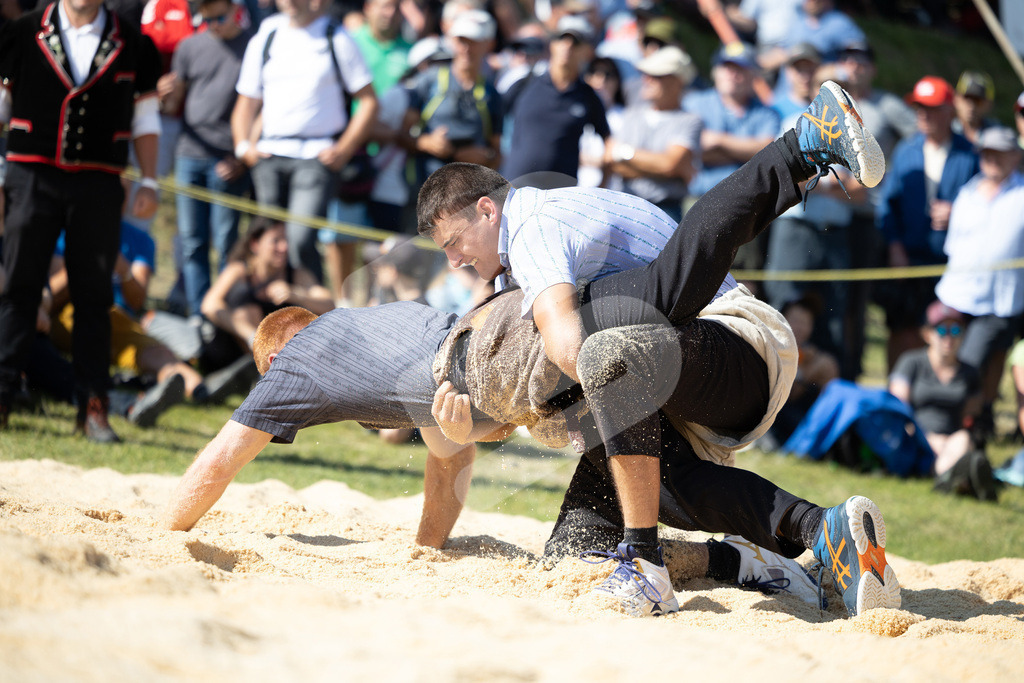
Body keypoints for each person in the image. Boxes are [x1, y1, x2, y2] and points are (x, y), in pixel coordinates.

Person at [419, 81, 897, 617]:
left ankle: (801, 145)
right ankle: (813, 534)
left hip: (733, 339)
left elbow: (562, 347)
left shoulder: (530, 227)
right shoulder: (522, 258)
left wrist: (584, 404)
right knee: (579, 551)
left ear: (487, 210)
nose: (455, 260)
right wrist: (475, 428)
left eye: (454, 242)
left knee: (591, 350)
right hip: (678, 362)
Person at [161, 300, 825, 607]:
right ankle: (755, 552)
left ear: (277, 355)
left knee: (664, 486)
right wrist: (428, 546)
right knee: (593, 541)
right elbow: (449, 439)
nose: (270, 383)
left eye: (265, 372)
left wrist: (165, 533)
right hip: (524, 360)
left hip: (563, 363)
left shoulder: (295, 360)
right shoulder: (387, 321)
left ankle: (786, 542)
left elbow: (217, 460)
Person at [0, 0, 162, 440]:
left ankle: (93, 406)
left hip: (98, 183)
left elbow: (147, 117)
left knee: (94, 296)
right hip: (29, 174)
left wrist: (149, 180)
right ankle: (2, 393)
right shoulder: (22, 32)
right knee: (18, 287)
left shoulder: (134, 43)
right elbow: (3, 102)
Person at [232, 0, 378, 284]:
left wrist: (345, 149)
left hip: (316, 156)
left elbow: (369, 101)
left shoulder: (337, 37)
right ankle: (269, 315)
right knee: (265, 244)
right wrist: (242, 147)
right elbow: (246, 101)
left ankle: (312, 318)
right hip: (269, 155)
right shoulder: (266, 36)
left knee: (299, 240)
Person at [876, 75, 978, 372]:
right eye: (919, 107)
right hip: (907, 259)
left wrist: (956, 212)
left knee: (945, 331)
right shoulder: (907, 149)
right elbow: (888, 204)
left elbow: (984, 204)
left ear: (949, 111)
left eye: (931, 107)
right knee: (901, 328)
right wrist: (894, 246)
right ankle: (897, 391)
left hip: (949, 262)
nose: (923, 114)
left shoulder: (969, 155)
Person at [162, 0, 253, 319]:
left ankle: (224, 312)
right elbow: (174, 104)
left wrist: (242, 156)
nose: (213, 23)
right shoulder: (188, 47)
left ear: (235, 9)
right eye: (206, 18)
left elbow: (260, 107)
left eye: (220, 16)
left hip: (228, 159)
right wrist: (165, 94)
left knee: (227, 243)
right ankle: (200, 314)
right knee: (192, 241)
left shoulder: (252, 46)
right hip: (189, 154)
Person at [934, 126, 1024, 439]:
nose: (992, 159)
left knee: (972, 362)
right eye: (987, 152)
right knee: (949, 359)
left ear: (1015, 156)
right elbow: (953, 246)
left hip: (1000, 301)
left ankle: (970, 422)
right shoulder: (967, 192)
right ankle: (956, 422)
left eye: (999, 153)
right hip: (956, 295)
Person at [889, 301, 995, 500]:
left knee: (963, 439)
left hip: (953, 439)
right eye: (942, 329)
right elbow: (897, 405)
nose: (949, 337)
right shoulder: (911, 362)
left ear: (963, 335)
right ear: (927, 333)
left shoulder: (970, 372)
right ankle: (963, 477)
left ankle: (950, 477)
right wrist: (921, 434)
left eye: (956, 330)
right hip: (917, 436)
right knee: (947, 444)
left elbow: (971, 416)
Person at [201, 216, 334, 368]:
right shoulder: (238, 271)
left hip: (276, 355)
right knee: (246, 310)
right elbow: (209, 305)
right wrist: (253, 336)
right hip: (232, 351)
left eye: (286, 240)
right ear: (255, 244)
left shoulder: (296, 275)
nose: (284, 247)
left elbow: (330, 305)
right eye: (276, 241)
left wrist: (297, 294)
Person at [501, 14, 608, 186]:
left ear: (587, 51)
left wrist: (603, 184)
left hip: (560, 198)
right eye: (562, 39)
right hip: (514, 191)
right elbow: (492, 120)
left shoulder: (588, 97)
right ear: (552, 44)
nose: (568, 46)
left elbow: (608, 141)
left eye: (576, 42)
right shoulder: (524, 83)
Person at [399, 8, 503, 185]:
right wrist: (427, 142)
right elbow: (402, 135)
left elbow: (497, 154)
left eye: (474, 41)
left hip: (469, 193)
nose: (466, 48)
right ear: (453, 41)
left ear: (488, 44)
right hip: (426, 185)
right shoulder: (429, 81)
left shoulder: (491, 94)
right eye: (462, 40)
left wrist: (484, 156)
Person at [603, 45, 699, 223]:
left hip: (665, 211)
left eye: (657, 75)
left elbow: (669, 164)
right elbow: (611, 162)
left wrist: (623, 153)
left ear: (678, 82)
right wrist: (665, 169)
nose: (647, 79)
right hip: (624, 207)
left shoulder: (689, 121)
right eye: (647, 74)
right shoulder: (631, 115)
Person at [952, 70, 998, 146]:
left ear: (989, 104)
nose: (971, 106)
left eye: (978, 101)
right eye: (966, 98)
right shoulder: (944, 130)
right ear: (956, 99)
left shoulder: (998, 136)